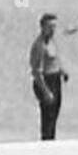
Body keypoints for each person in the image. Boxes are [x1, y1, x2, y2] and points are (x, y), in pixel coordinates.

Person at [29, 13, 69, 141]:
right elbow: (36, 72)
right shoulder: (39, 46)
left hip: (55, 79)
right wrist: (46, 92)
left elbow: (54, 59)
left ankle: (51, 139)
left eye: (54, 27)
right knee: (48, 115)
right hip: (45, 82)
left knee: (55, 112)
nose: (53, 30)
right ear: (42, 27)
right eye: (50, 27)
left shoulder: (51, 41)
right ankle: (46, 142)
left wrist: (62, 71)